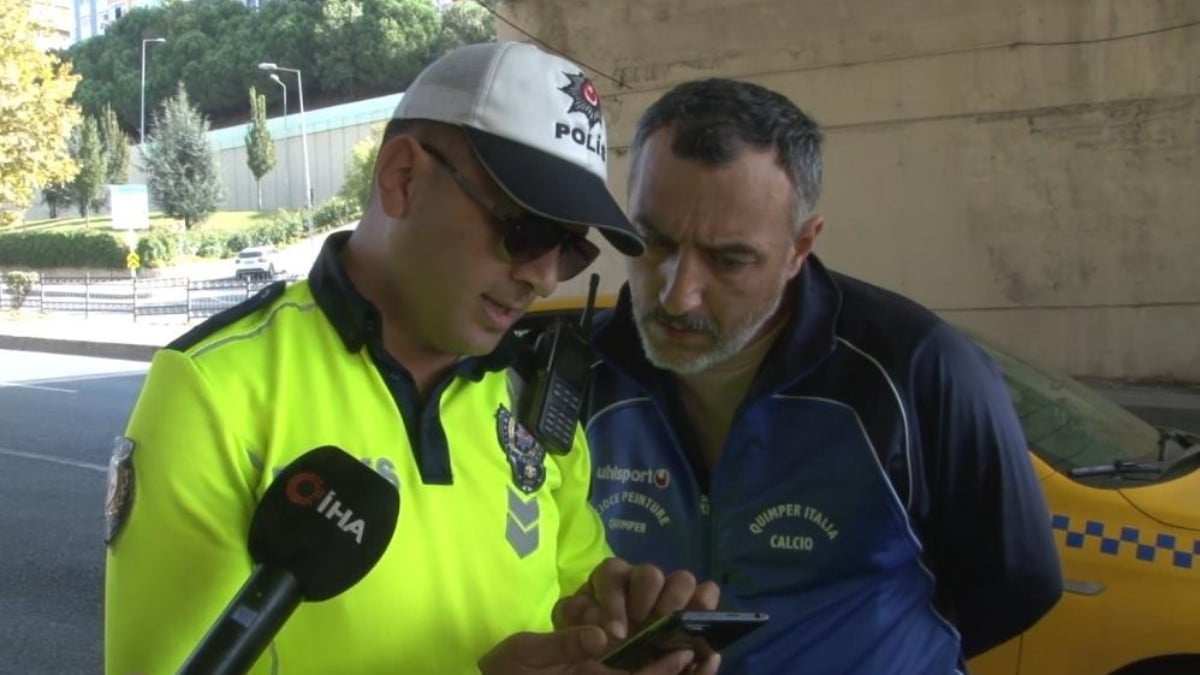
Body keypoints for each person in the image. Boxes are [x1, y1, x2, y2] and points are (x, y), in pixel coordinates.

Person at [103, 42, 721, 675]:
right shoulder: (216, 389)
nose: (542, 276)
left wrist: (618, 634)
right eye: (526, 231)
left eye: (570, 249)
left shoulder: (535, 397)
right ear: (402, 176)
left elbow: (571, 588)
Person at [582, 78, 1063, 674]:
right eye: (651, 242)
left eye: (729, 260)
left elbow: (1021, 581)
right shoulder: (583, 371)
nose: (678, 297)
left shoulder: (915, 368)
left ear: (799, 248)